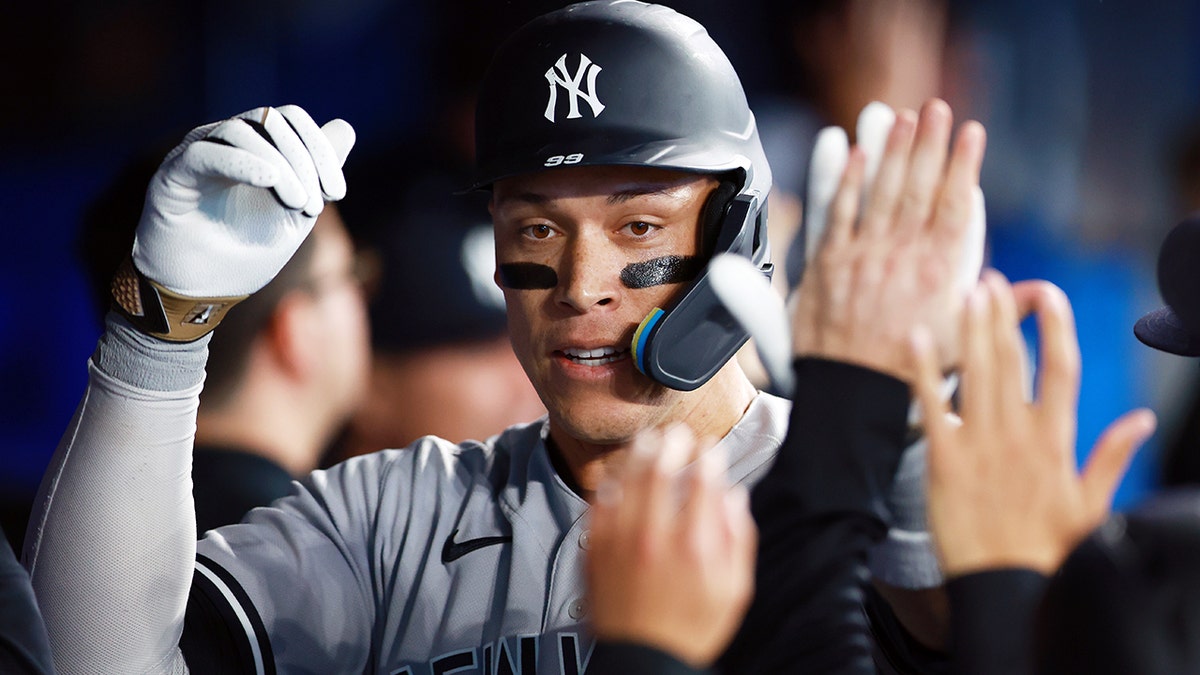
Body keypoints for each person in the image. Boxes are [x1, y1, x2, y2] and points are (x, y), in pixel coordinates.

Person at [25, 3, 971, 672]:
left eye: (639, 226)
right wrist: (158, 332)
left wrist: (900, 428)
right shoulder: (397, 515)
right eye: (536, 230)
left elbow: (961, 629)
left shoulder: (845, 484)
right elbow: (93, 659)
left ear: (739, 236)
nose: (580, 286)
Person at [78, 155, 371, 533]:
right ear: (298, 330)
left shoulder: (87, 525)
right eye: (352, 273)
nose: (364, 298)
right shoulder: (309, 552)